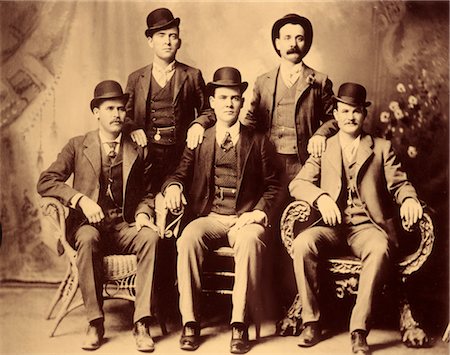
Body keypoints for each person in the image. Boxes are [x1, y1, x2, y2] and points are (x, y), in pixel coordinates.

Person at [289, 82, 423, 354]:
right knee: (303, 243)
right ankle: (311, 322)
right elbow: (298, 184)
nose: (350, 117)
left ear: (364, 115)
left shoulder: (381, 148)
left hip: (367, 227)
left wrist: (409, 199)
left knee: (379, 247)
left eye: (356, 112)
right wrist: (321, 198)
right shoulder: (323, 148)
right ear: (335, 115)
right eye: (344, 111)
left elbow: (400, 184)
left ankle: (359, 329)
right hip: (331, 227)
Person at [162, 67, 282, 354]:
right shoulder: (199, 139)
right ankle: (190, 321)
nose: (229, 104)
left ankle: (239, 323)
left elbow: (275, 186)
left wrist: (257, 213)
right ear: (212, 102)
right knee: (187, 239)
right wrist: (174, 188)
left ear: (242, 103)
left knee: (251, 240)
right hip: (210, 217)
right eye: (223, 97)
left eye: (235, 98)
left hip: (245, 218)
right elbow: (177, 174)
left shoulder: (259, 141)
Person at [37, 80, 160, 352]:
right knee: (89, 238)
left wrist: (142, 214)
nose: (117, 115)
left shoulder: (136, 148)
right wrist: (79, 199)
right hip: (87, 226)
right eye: (110, 108)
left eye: (121, 109)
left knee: (150, 237)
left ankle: (141, 322)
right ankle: (95, 322)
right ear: (96, 112)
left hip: (124, 225)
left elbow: (149, 192)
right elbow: (46, 181)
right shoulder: (77, 145)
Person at [124, 7, 214, 193]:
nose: (167, 41)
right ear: (150, 41)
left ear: (179, 42)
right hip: (145, 154)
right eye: (161, 35)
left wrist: (198, 124)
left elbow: (209, 110)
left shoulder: (192, 75)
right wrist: (133, 127)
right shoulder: (136, 78)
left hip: (181, 154)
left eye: (173, 36)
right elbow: (123, 115)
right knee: (146, 202)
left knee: (179, 201)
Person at [243, 13, 338, 182]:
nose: (293, 44)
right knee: (268, 205)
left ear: (306, 43)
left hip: (304, 162)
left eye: (299, 38)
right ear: (278, 43)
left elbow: (334, 118)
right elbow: (251, 120)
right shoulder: (262, 81)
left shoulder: (320, 80)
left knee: (300, 205)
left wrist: (320, 135)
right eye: (287, 38)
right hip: (267, 161)